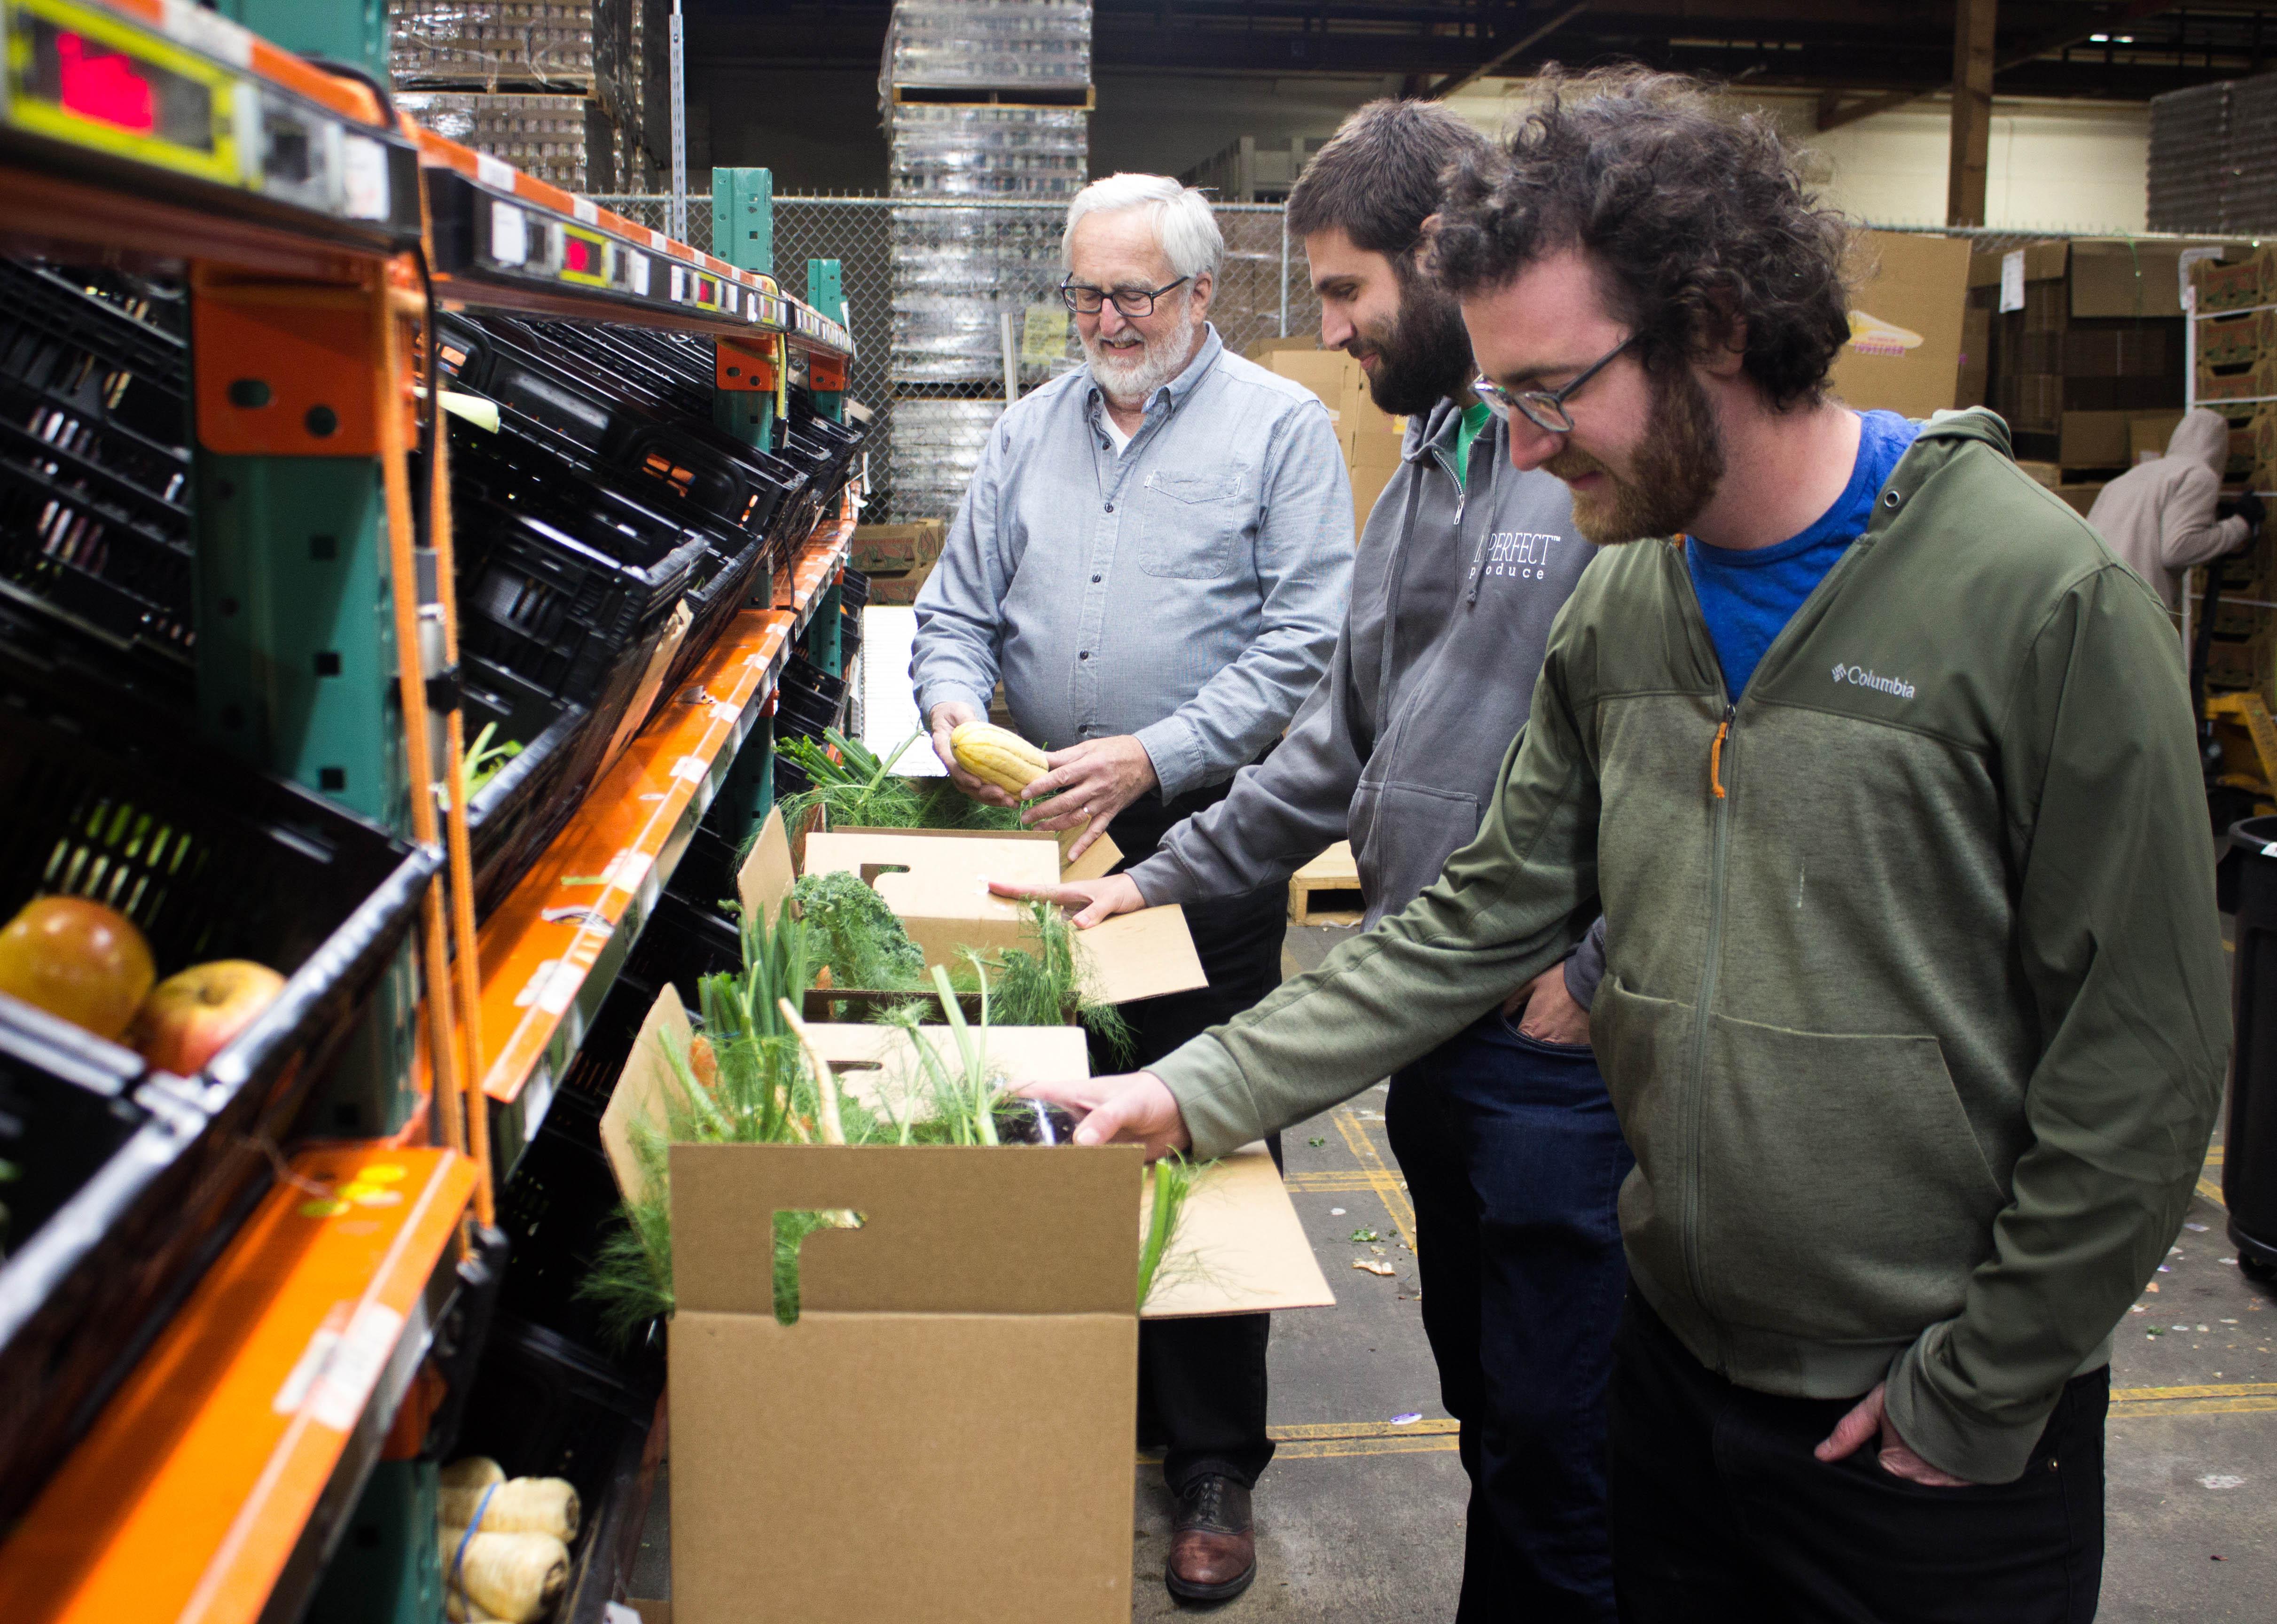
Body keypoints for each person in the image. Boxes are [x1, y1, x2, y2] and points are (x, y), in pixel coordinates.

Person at [1027, 70, 2227, 1622]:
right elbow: (1473, 913)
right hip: (1670, 1362)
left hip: (1925, 1433)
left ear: (1714, 326)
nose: (1519, 451)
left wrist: (1980, 1385)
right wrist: (1182, 1093)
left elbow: (2140, 1055)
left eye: (1548, 392)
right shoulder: (1627, 600)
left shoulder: (2038, 606)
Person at [999, 101, 1622, 1622]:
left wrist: (1598, 972)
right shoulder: (1432, 465)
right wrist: (1153, 878)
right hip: (1428, 1015)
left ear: (1436, 255)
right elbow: (1336, 747)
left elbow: (1699, 743)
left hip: (1556, 1050)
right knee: (1495, 1414)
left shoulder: (1593, 464)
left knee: (1572, 1451)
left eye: (1343, 290)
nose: (1328, 326)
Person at [909, 172, 1354, 1604]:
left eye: (1132, 295)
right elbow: (954, 606)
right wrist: (945, 704)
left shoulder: (1277, 433)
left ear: (1201, 295)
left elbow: (1308, 640)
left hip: (1197, 849)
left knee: (1201, 1134)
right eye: (1085, 293)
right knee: (1038, 1113)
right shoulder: (1028, 430)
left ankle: (1213, 1458)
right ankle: (1068, 1399)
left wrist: (1154, 759)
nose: (1103, 320)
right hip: (1035, 848)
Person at [2087, 406, 2264, 606]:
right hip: (2137, 608)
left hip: (2096, 600)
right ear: (2220, 449)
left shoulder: (2131, 476)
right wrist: (2241, 524)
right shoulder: (2200, 476)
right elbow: (2178, 550)